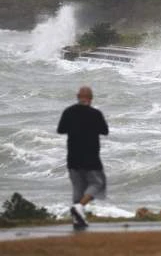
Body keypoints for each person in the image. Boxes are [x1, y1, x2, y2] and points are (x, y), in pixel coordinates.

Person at [57, 86, 109, 229]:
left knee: (78, 189)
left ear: (77, 96)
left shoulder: (68, 112)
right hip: (91, 157)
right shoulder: (95, 114)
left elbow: (61, 130)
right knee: (98, 184)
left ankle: (77, 220)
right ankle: (80, 207)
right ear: (91, 98)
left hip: (73, 157)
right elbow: (105, 131)